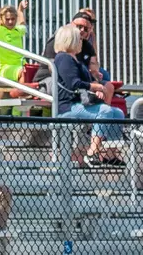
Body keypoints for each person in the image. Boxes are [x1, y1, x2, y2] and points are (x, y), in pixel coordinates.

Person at [52, 23, 124, 164]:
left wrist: (96, 90)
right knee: (105, 111)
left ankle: (109, 155)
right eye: (79, 39)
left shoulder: (75, 59)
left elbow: (86, 83)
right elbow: (74, 84)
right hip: (68, 106)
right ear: (70, 40)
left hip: (81, 102)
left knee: (118, 113)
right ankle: (92, 153)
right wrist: (95, 86)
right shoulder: (64, 58)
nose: (81, 42)